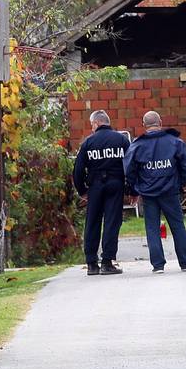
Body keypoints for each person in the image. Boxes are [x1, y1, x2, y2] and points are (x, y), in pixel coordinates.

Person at [123, 111, 186, 273]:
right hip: (170, 191)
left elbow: (129, 171)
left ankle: (158, 265)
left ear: (144, 124)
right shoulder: (175, 142)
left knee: (152, 228)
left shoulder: (137, 145)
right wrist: (179, 184)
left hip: (148, 194)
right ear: (160, 122)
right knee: (177, 226)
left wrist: (135, 189)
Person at [72, 110, 130, 276]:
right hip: (115, 184)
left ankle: (91, 263)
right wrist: (131, 189)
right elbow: (131, 165)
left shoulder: (88, 142)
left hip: (95, 186)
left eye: (92, 125)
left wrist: (82, 190)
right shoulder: (121, 140)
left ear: (96, 123)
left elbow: (77, 170)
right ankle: (107, 262)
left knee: (92, 222)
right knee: (112, 221)